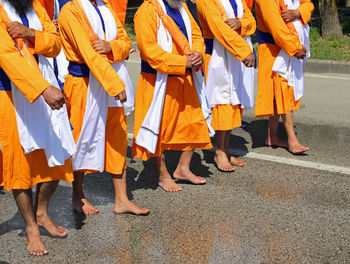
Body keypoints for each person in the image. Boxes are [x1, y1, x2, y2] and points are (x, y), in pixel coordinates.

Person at [58, 0, 150, 215]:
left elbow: (126, 43)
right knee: (82, 139)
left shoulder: (106, 6)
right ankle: (77, 195)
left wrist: (111, 47)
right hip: (84, 84)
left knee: (117, 139)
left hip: (112, 80)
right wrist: (114, 84)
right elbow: (87, 52)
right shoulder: (70, 10)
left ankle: (122, 199)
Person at [0, 0, 75, 255]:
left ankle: (42, 213)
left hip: (47, 84)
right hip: (11, 93)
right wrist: (42, 89)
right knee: (21, 165)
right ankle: (31, 227)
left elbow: (55, 44)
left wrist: (30, 33)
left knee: (58, 155)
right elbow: (6, 55)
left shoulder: (35, 6)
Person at [133, 0, 214, 192]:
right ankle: (162, 175)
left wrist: (198, 54)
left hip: (186, 77)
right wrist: (182, 61)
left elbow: (196, 36)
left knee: (194, 122)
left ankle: (183, 169)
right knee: (159, 129)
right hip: (158, 80)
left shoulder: (182, 7)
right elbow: (149, 51)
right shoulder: (147, 11)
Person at [196, 0, 256, 172]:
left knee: (234, 103)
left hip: (237, 55)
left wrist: (240, 23)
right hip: (218, 56)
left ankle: (226, 149)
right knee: (222, 102)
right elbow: (219, 28)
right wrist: (244, 51)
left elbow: (251, 21)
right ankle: (219, 151)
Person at [255, 0, 314, 154]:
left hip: (286, 46)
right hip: (274, 48)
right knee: (284, 91)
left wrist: (298, 12)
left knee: (278, 93)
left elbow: (308, 3)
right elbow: (276, 25)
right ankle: (292, 139)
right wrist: (294, 48)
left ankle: (272, 136)